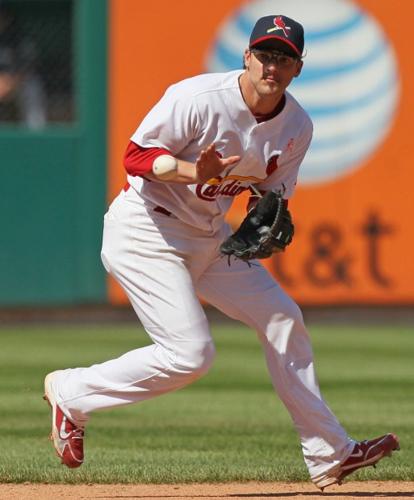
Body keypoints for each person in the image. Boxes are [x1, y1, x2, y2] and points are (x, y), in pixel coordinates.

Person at [43, 15, 399, 490]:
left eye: (285, 58)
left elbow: (269, 195)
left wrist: (267, 213)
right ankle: (72, 392)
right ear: (247, 57)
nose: (273, 66)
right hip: (147, 231)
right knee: (191, 355)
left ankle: (329, 454)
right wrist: (194, 171)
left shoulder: (297, 125)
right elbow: (136, 156)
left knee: (283, 317)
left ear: (299, 68)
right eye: (266, 55)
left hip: (210, 238)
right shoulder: (197, 98)